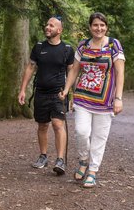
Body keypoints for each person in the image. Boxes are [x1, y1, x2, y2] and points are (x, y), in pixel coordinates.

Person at [59, 12, 125, 187]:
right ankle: (83, 160)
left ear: (106, 27)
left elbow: (120, 72)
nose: (99, 28)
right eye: (95, 25)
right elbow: (74, 70)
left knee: (99, 137)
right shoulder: (83, 45)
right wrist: (66, 89)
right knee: (81, 132)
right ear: (90, 27)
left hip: (105, 102)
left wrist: (118, 98)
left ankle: (93, 170)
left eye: (102, 25)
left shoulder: (113, 45)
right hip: (82, 97)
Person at [18, 15, 74, 175]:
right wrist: (22, 90)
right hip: (40, 93)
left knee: (58, 124)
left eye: (51, 25)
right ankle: (43, 156)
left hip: (59, 94)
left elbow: (71, 71)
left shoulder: (67, 49)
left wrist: (69, 91)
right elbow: (30, 68)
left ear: (59, 30)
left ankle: (60, 160)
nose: (47, 27)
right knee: (42, 125)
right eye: (47, 25)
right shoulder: (39, 47)